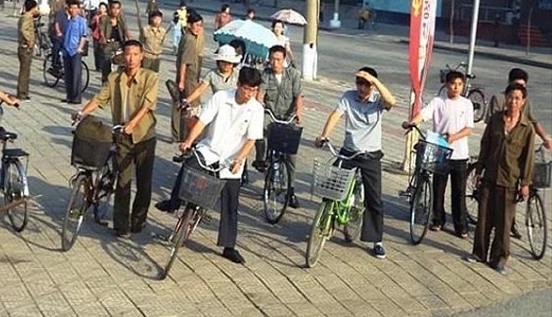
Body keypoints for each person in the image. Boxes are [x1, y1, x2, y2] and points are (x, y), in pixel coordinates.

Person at [156, 67, 264, 263]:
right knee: (188, 167)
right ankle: (173, 203)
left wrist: (240, 159)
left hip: (232, 161)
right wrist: (189, 140)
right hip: (209, 151)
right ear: (238, 85)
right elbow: (202, 121)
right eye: (247, 89)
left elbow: (252, 139)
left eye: (254, 90)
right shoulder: (221, 97)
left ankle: (228, 246)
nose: (249, 94)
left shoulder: (256, 109)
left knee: (231, 204)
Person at [74, 40, 157, 238]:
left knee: (144, 182)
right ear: (123, 56)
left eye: (135, 54)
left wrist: (133, 124)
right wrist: (81, 112)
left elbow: (147, 104)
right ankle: (121, 224)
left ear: (141, 56)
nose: (131, 59)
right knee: (123, 180)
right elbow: (100, 99)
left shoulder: (150, 77)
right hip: (123, 137)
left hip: (144, 136)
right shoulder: (114, 78)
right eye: (128, 54)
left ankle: (138, 219)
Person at [315, 67, 396, 258]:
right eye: (359, 82)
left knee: (374, 198)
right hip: (348, 152)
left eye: (365, 84)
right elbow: (336, 115)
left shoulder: (378, 101)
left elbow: (391, 101)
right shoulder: (348, 96)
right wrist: (324, 135)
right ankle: (326, 219)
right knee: (331, 185)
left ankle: (377, 240)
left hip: (370, 155)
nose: (361, 87)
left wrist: (374, 82)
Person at [465, 83, 535, 275]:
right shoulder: (496, 120)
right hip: (490, 176)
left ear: (523, 102)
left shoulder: (526, 128)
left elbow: (528, 158)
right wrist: (479, 169)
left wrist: (526, 183)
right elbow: (485, 144)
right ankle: (479, 252)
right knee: (484, 218)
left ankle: (499, 258)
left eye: (517, 98)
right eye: (510, 97)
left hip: (510, 180)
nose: (513, 101)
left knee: (504, 223)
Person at [406, 71, 474, 238]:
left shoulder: (466, 104)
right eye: (452, 84)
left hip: (460, 154)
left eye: (459, 84)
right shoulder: (438, 102)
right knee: (438, 188)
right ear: (446, 85)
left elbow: (469, 128)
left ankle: (460, 225)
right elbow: (423, 114)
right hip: (440, 152)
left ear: (463, 86)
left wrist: (454, 137)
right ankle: (438, 219)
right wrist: (412, 122)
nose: (456, 87)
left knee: (458, 191)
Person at [485, 67, 551, 240]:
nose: (515, 100)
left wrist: (545, 137)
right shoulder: (499, 100)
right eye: (516, 87)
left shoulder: (525, 102)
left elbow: (533, 122)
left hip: (519, 149)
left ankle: (508, 230)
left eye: (522, 89)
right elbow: (491, 131)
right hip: (498, 156)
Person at [253, 45, 303, 207]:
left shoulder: (294, 75)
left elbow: (298, 97)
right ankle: (261, 160)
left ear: (285, 60)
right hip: (271, 113)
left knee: (291, 155)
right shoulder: (265, 75)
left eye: (279, 59)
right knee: (260, 131)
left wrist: (298, 113)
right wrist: (259, 105)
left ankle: (291, 191)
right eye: (272, 59)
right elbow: (260, 94)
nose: (275, 63)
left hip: (288, 116)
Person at [172, 12, 204, 142]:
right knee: (192, 106)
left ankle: (180, 134)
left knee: (182, 105)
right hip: (188, 78)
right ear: (190, 25)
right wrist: (181, 81)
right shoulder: (190, 40)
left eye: (200, 26)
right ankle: (189, 135)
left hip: (188, 77)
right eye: (196, 25)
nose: (198, 28)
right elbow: (184, 62)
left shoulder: (188, 37)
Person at [62, 0, 88, 104]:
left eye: (75, 8)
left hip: (75, 50)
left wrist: (79, 48)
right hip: (66, 50)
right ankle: (69, 96)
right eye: (71, 8)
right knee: (68, 75)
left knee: (76, 75)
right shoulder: (68, 20)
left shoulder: (81, 21)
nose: (73, 10)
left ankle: (76, 98)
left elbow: (83, 35)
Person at [99, 0, 131, 82]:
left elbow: (126, 29)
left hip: (119, 44)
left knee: (122, 64)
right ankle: (106, 84)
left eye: (117, 8)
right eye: (113, 8)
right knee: (106, 64)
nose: (115, 10)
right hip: (108, 44)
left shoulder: (121, 19)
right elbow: (101, 30)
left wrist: (130, 39)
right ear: (110, 9)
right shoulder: (104, 18)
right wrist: (103, 38)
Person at [16, 0, 39, 100]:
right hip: (25, 47)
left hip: (24, 47)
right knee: (24, 71)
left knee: (26, 70)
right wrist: (29, 40)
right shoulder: (27, 17)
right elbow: (23, 29)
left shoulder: (27, 17)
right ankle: (22, 92)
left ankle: (24, 91)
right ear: (33, 7)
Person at [91, 2, 108, 72]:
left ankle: (102, 66)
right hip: (96, 36)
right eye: (101, 8)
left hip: (104, 36)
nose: (102, 9)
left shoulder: (107, 17)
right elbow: (92, 25)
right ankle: (97, 66)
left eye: (103, 8)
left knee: (103, 52)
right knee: (96, 51)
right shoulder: (96, 17)